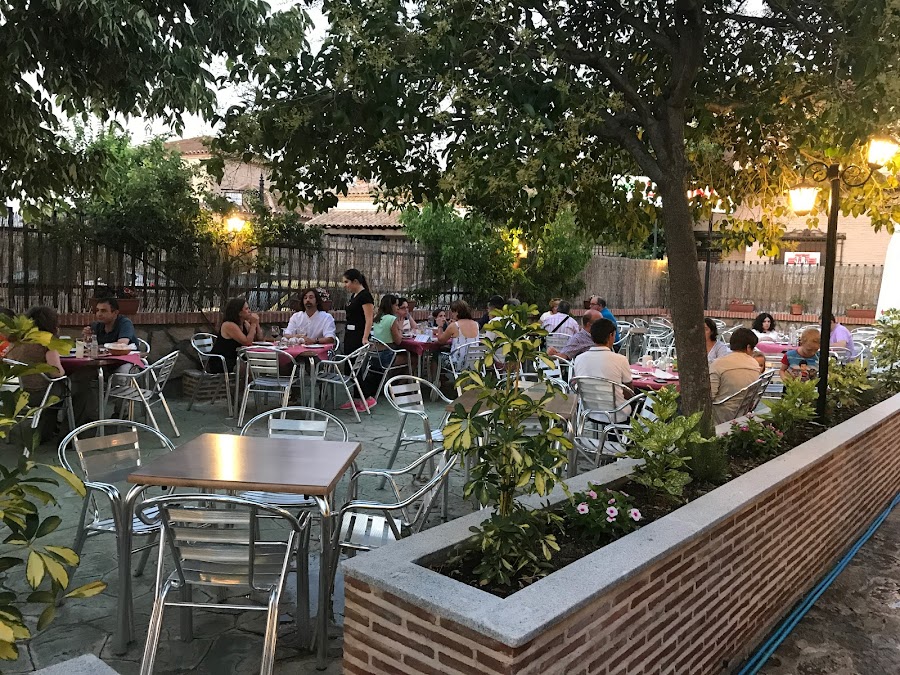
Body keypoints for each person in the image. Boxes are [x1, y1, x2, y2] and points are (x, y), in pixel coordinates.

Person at [9, 306, 66, 441]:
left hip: (20, 392)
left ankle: (48, 430)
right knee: (78, 387)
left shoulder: (18, 341)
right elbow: (56, 373)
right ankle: (70, 433)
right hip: (41, 394)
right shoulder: (47, 342)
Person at [350, 294, 405, 411]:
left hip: (374, 356)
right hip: (387, 355)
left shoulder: (377, 318)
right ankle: (399, 388)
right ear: (391, 306)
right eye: (396, 305)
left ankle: (393, 386)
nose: (397, 308)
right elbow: (399, 341)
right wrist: (400, 328)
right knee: (412, 358)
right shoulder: (392, 319)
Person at [571, 318, 633, 420]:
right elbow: (629, 393)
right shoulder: (620, 360)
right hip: (615, 414)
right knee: (641, 403)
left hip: (589, 411)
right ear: (611, 335)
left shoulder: (579, 359)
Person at [709, 327, 763, 424]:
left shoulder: (718, 364)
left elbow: (710, 396)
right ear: (748, 347)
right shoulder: (755, 364)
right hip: (743, 412)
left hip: (720, 414)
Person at [208, 297, 264, 374]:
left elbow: (259, 340)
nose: (249, 311)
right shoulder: (229, 325)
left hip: (237, 358)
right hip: (222, 361)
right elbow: (247, 342)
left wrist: (257, 324)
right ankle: (244, 386)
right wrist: (253, 324)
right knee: (248, 368)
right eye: (246, 309)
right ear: (239, 313)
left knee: (258, 364)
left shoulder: (244, 323)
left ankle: (252, 385)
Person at [437, 299, 480, 370]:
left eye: (453, 312)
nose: (452, 314)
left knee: (436, 355)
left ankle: (437, 380)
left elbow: (441, 340)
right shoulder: (476, 324)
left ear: (457, 312)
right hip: (474, 363)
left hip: (457, 364)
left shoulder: (454, 325)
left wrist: (440, 326)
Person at [342, 269, 374, 357]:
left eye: (346, 282)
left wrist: (365, 337)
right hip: (349, 334)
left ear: (355, 281)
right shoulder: (353, 296)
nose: (345, 285)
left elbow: (369, 318)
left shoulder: (365, 296)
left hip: (358, 334)